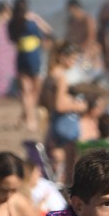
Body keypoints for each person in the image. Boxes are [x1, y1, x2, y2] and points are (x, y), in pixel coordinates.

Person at [40, 41, 88, 185]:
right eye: (73, 59)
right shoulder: (61, 78)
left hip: (53, 123)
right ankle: (68, 197)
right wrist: (79, 106)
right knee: (70, 167)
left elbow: (44, 102)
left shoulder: (49, 77)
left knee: (56, 164)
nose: (74, 62)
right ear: (63, 57)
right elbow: (59, 105)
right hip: (65, 123)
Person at [7, 0, 53, 134]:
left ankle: (27, 119)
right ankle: (30, 118)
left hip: (21, 57)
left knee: (25, 92)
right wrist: (37, 19)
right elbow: (48, 32)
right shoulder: (31, 23)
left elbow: (12, 40)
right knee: (35, 91)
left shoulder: (12, 24)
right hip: (34, 57)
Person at [64, 0, 99, 70]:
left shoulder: (87, 19)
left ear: (76, 8)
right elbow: (68, 36)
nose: (69, 12)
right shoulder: (71, 21)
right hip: (77, 48)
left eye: (70, 9)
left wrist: (81, 49)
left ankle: (96, 70)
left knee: (86, 62)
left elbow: (91, 36)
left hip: (89, 47)